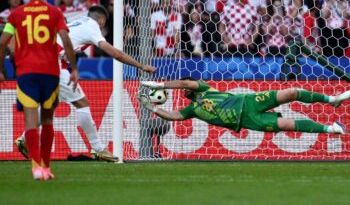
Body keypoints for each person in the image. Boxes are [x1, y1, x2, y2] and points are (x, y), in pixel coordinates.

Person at [15, 5, 156, 162]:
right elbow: (116, 53)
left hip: (41, 59)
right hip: (52, 62)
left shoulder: (79, 21)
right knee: (82, 103)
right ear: (101, 20)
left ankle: (25, 138)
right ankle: (98, 149)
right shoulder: (92, 27)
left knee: (50, 106)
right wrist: (141, 66)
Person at [0, 0, 79, 180]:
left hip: (26, 73)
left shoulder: (16, 14)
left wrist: (1, 69)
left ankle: (36, 168)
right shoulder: (54, 12)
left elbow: (2, 43)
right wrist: (74, 68)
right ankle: (46, 167)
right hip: (50, 72)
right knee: (47, 119)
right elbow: (66, 38)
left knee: (30, 121)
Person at [138, 78, 349, 135]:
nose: (184, 90)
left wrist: (161, 85)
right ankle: (332, 129)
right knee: (286, 124)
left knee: (291, 92)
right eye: (183, 91)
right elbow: (174, 116)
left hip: (248, 101)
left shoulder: (203, 88)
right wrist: (152, 108)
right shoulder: (192, 109)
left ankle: (333, 99)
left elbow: (185, 83)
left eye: (185, 86)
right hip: (247, 120)